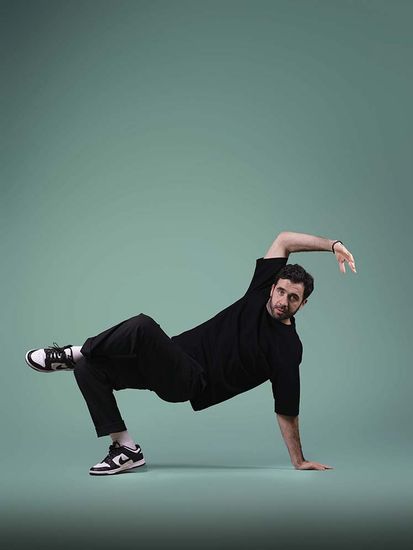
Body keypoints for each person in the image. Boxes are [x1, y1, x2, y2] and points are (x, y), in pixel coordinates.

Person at [25, 231, 357, 476]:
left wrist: (299, 460)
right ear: (272, 286)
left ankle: (72, 352)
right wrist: (333, 245)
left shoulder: (287, 348)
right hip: (171, 356)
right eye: (281, 291)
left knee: (142, 326)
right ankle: (126, 449)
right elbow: (284, 239)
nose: (283, 301)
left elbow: (287, 409)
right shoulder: (261, 290)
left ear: (303, 304)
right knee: (89, 368)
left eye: (293, 298)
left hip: (190, 381)